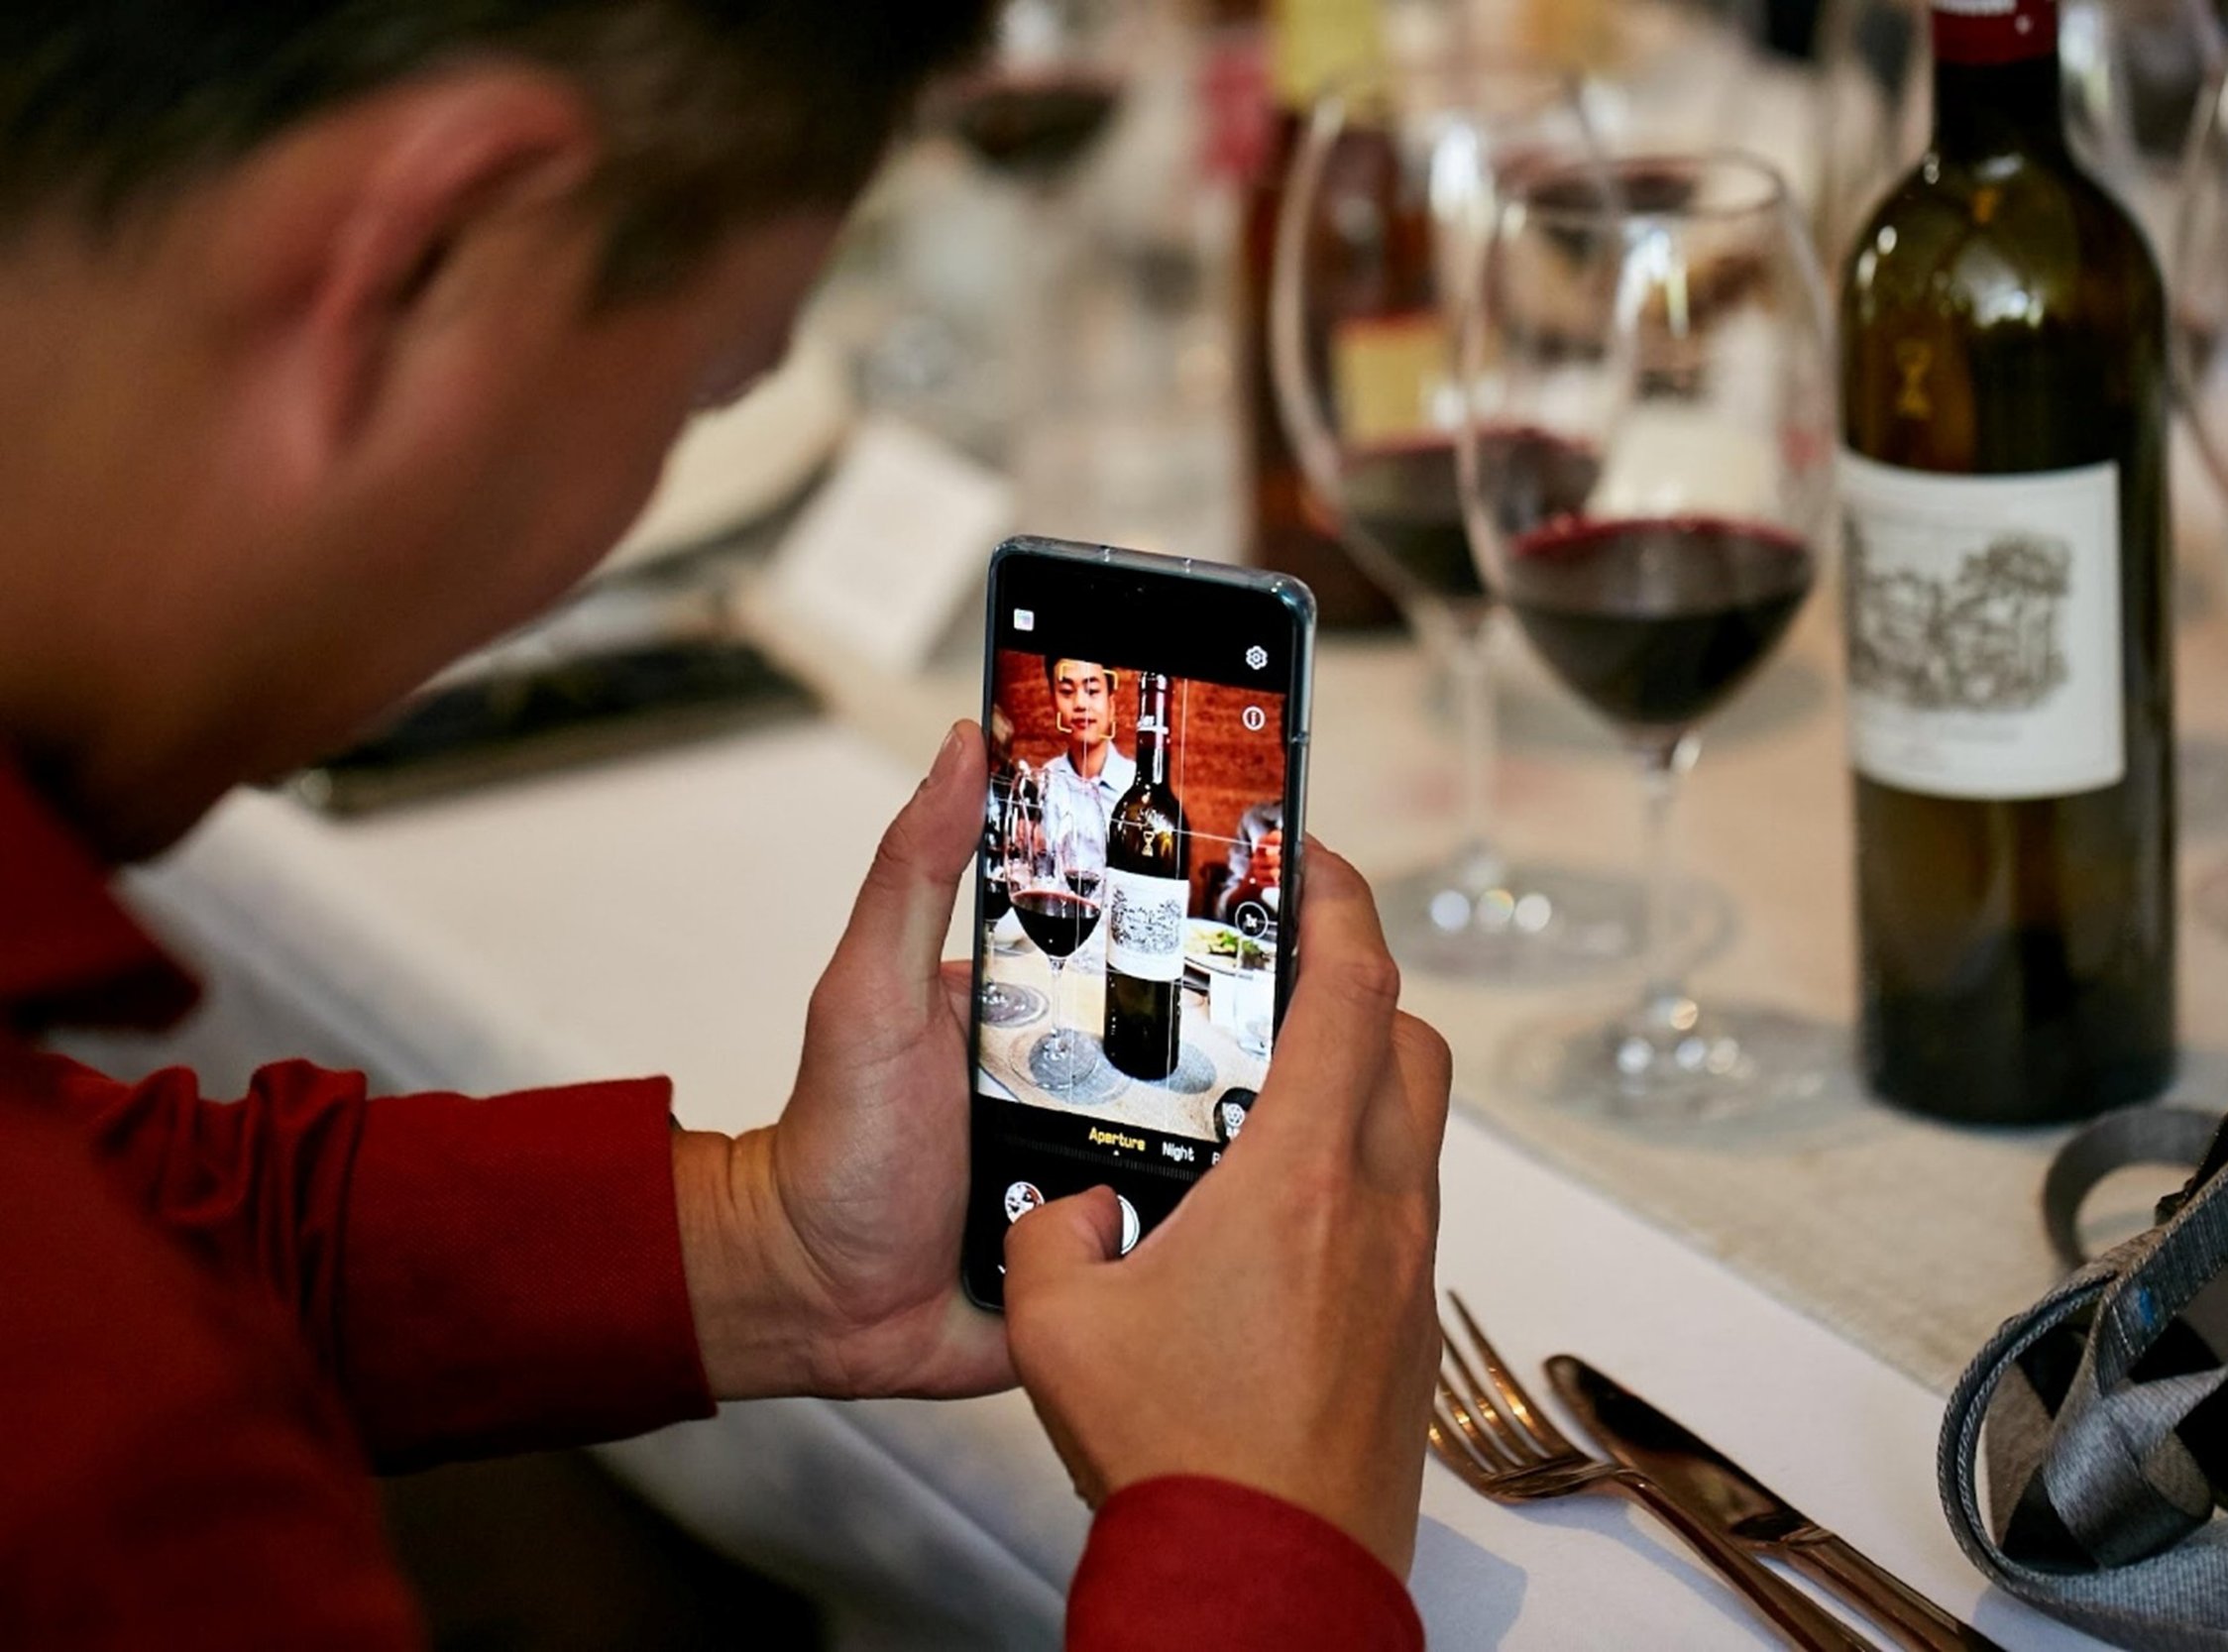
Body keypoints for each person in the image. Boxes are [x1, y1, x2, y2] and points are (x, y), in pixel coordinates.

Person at [0, 8, 1449, 1650]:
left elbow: (134, 1204)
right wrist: (1265, 1549)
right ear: (423, 256)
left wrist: (767, 1241)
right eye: (701, 388)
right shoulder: (99, 1464)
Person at [1040, 655, 1137, 870]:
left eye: (1092, 691)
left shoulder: (1136, 789)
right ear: (1053, 704)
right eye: (1066, 692)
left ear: (1111, 704)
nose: (1081, 704)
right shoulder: (1044, 782)